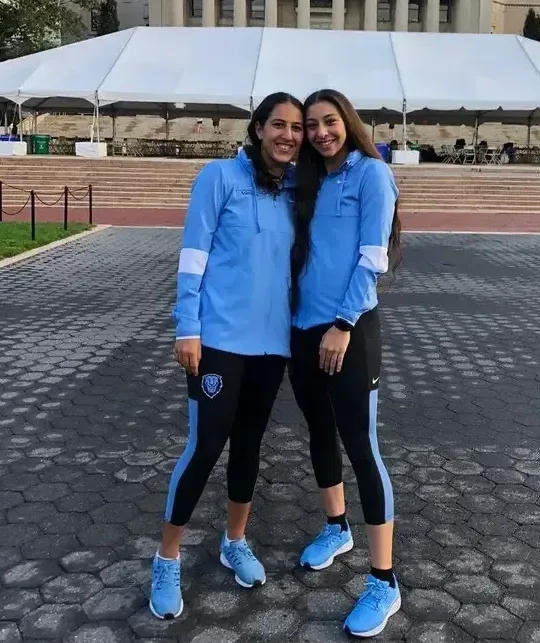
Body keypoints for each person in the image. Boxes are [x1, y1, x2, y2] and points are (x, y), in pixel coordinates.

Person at [149, 92, 304, 620]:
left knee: (248, 447)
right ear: (258, 128)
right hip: (217, 340)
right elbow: (194, 255)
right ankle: (167, 556)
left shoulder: (297, 188)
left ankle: (234, 540)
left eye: (297, 128)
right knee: (205, 445)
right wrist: (186, 327)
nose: (288, 135)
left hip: (272, 346)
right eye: (278, 125)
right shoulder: (218, 177)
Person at [289, 89, 402, 639]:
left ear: (347, 123)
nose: (320, 133)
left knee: (361, 444)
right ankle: (337, 528)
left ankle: (385, 581)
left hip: (348, 330)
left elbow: (371, 257)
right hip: (300, 330)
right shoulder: (308, 179)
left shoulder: (370, 176)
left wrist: (343, 324)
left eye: (328, 122)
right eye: (311, 125)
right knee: (319, 432)